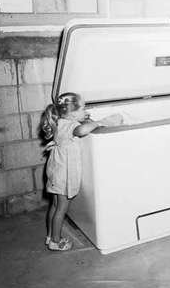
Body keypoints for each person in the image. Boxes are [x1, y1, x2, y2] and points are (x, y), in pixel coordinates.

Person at [41, 92, 123, 251]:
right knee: (62, 209)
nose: (85, 111)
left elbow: (77, 126)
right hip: (63, 174)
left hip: (56, 170)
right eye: (82, 108)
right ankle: (56, 242)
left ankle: (51, 235)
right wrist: (100, 122)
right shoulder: (71, 126)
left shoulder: (60, 121)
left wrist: (82, 116)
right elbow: (81, 130)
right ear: (72, 113)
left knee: (55, 205)